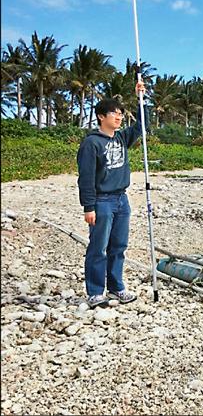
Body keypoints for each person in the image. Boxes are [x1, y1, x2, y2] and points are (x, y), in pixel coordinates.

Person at [77, 81, 149, 309]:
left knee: (119, 246)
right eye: (114, 114)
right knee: (98, 247)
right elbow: (86, 178)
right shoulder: (91, 143)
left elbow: (142, 127)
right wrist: (88, 207)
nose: (118, 118)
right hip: (102, 201)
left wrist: (141, 99)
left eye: (120, 114)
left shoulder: (121, 138)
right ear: (100, 116)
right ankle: (95, 292)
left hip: (121, 199)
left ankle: (116, 287)